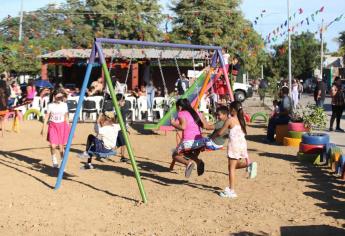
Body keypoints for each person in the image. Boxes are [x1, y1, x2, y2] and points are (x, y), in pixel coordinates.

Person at [211, 101, 257, 198]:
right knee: (232, 166)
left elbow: (220, 132)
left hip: (234, 145)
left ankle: (232, 190)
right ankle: (248, 164)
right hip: (242, 145)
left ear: (232, 110)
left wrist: (212, 136)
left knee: (231, 168)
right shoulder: (241, 120)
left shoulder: (230, 120)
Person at [170, 98, 208, 178]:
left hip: (189, 141)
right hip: (199, 142)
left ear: (180, 107)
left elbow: (183, 127)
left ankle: (188, 163)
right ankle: (198, 161)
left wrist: (173, 123)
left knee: (175, 154)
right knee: (188, 154)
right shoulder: (196, 112)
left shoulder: (181, 113)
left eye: (177, 108)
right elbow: (204, 125)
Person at [41, 89, 70, 168]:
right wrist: (43, 128)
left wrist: (68, 127)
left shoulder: (64, 105)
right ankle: (54, 159)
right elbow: (47, 116)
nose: (59, 99)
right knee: (53, 146)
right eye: (58, 97)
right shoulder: (50, 105)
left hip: (62, 126)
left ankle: (62, 163)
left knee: (61, 147)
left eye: (61, 97)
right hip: (53, 126)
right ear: (54, 97)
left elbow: (66, 117)